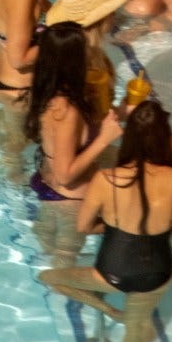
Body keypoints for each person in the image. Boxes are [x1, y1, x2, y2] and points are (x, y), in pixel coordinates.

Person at [39, 101, 172, 342]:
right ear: (165, 137)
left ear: (129, 137)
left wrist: (113, 224)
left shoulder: (106, 180)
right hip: (157, 275)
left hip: (110, 273)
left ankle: (111, 311)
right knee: (133, 339)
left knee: (49, 278)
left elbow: (83, 227)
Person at [25, 22, 123, 268]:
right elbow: (65, 175)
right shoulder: (67, 111)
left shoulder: (45, 90)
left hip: (48, 188)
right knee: (62, 270)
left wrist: (120, 111)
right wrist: (104, 139)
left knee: (48, 252)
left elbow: (66, 141)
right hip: (71, 201)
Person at [45, 0, 130, 124]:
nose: (115, 14)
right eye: (111, 11)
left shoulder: (70, 51)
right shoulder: (89, 66)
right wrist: (123, 112)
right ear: (101, 20)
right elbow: (95, 121)